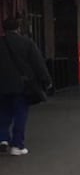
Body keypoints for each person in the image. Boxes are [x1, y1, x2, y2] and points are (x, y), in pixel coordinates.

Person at [0, 17, 52, 156]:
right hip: (21, 85)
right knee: (20, 114)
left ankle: (3, 138)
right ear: (18, 28)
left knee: (3, 112)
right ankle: (17, 145)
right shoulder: (26, 43)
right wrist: (46, 80)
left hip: (2, 86)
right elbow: (38, 63)